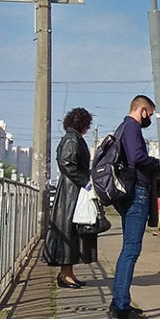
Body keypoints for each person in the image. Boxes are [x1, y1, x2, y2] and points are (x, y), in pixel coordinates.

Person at [109, 95, 160, 319]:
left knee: (128, 250)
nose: (149, 119)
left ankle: (119, 302)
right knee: (131, 251)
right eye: (149, 114)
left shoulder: (122, 128)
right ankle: (121, 306)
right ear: (141, 110)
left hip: (131, 194)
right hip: (136, 193)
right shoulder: (131, 127)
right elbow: (138, 157)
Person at [42, 107, 97, 289]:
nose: (88, 128)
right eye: (87, 125)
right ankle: (65, 275)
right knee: (70, 233)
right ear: (82, 123)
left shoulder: (71, 138)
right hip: (71, 193)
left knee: (72, 234)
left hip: (71, 191)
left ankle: (67, 273)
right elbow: (67, 163)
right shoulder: (73, 139)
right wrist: (84, 181)